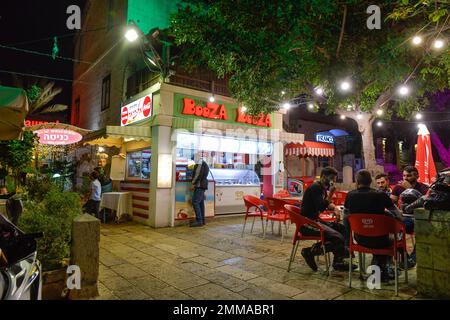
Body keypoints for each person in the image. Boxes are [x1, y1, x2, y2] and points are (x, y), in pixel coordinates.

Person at [344, 170, 404, 282]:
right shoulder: (380, 195)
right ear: (371, 181)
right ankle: (383, 268)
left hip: (360, 238)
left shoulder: (350, 195)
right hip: (381, 239)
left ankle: (378, 268)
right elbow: (397, 214)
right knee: (395, 237)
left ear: (357, 182)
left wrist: (348, 240)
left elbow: (346, 217)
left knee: (377, 238)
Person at [300, 167, 356, 272]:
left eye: (334, 179)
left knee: (342, 228)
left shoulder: (321, 188)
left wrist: (335, 208)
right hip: (306, 224)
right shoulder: (315, 188)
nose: (333, 181)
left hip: (315, 220)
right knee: (337, 237)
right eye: (331, 178)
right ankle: (309, 252)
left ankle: (339, 260)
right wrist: (330, 193)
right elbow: (321, 207)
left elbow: (326, 203)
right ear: (324, 176)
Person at [190, 159, 210, 227]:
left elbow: (198, 174)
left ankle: (199, 220)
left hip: (199, 185)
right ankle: (202, 220)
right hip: (202, 185)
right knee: (200, 203)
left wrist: (193, 183)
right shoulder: (203, 163)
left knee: (195, 202)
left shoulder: (200, 164)